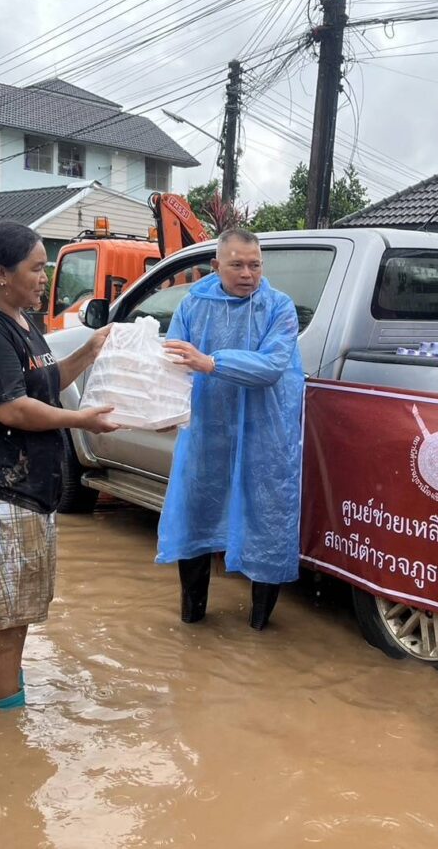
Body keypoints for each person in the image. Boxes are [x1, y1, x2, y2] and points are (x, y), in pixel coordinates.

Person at [0, 221, 119, 709]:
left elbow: (41, 384)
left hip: (26, 489)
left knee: (18, 609)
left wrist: (89, 351)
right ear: (2, 273)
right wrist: (81, 418)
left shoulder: (23, 321)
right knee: (7, 615)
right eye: (36, 268)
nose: (44, 277)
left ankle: (3, 696)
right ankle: (3, 726)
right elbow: (11, 409)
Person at [156, 227, 304, 631]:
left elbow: (273, 366)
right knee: (196, 516)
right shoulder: (193, 304)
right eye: (236, 264)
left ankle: (260, 625)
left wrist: (211, 362)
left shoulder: (279, 307)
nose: (247, 273)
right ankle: (192, 617)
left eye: (254, 264)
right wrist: (162, 413)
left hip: (266, 433)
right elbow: (171, 362)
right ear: (215, 265)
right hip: (207, 430)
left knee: (266, 518)